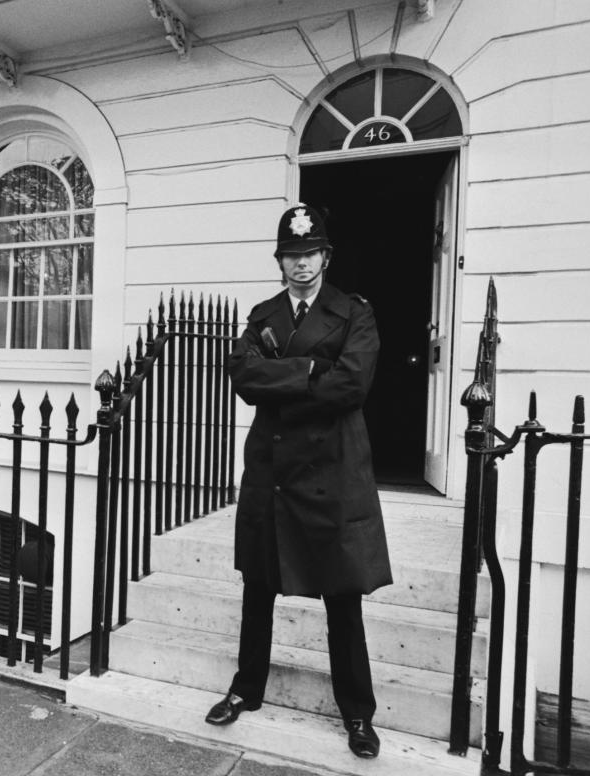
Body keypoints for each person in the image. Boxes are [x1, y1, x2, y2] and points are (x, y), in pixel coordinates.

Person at [205, 203, 392, 759]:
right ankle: (246, 689)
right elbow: (241, 375)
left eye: (310, 254)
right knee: (258, 588)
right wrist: (311, 370)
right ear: (279, 262)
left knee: (341, 595)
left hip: (332, 471)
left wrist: (283, 380)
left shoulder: (354, 313)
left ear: (326, 257)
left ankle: (358, 714)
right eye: (291, 255)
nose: (301, 265)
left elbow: (353, 386)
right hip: (272, 472)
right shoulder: (262, 315)